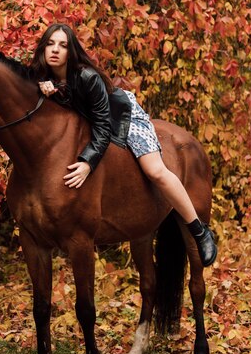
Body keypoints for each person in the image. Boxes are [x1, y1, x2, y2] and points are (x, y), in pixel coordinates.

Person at [30, 23, 217, 268]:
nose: (55, 50)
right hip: (87, 125)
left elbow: (103, 125)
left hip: (121, 118)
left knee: (155, 171)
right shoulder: (39, 75)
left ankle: (199, 230)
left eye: (63, 45)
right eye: (50, 44)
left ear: (71, 51)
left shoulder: (87, 76)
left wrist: (88, 163)